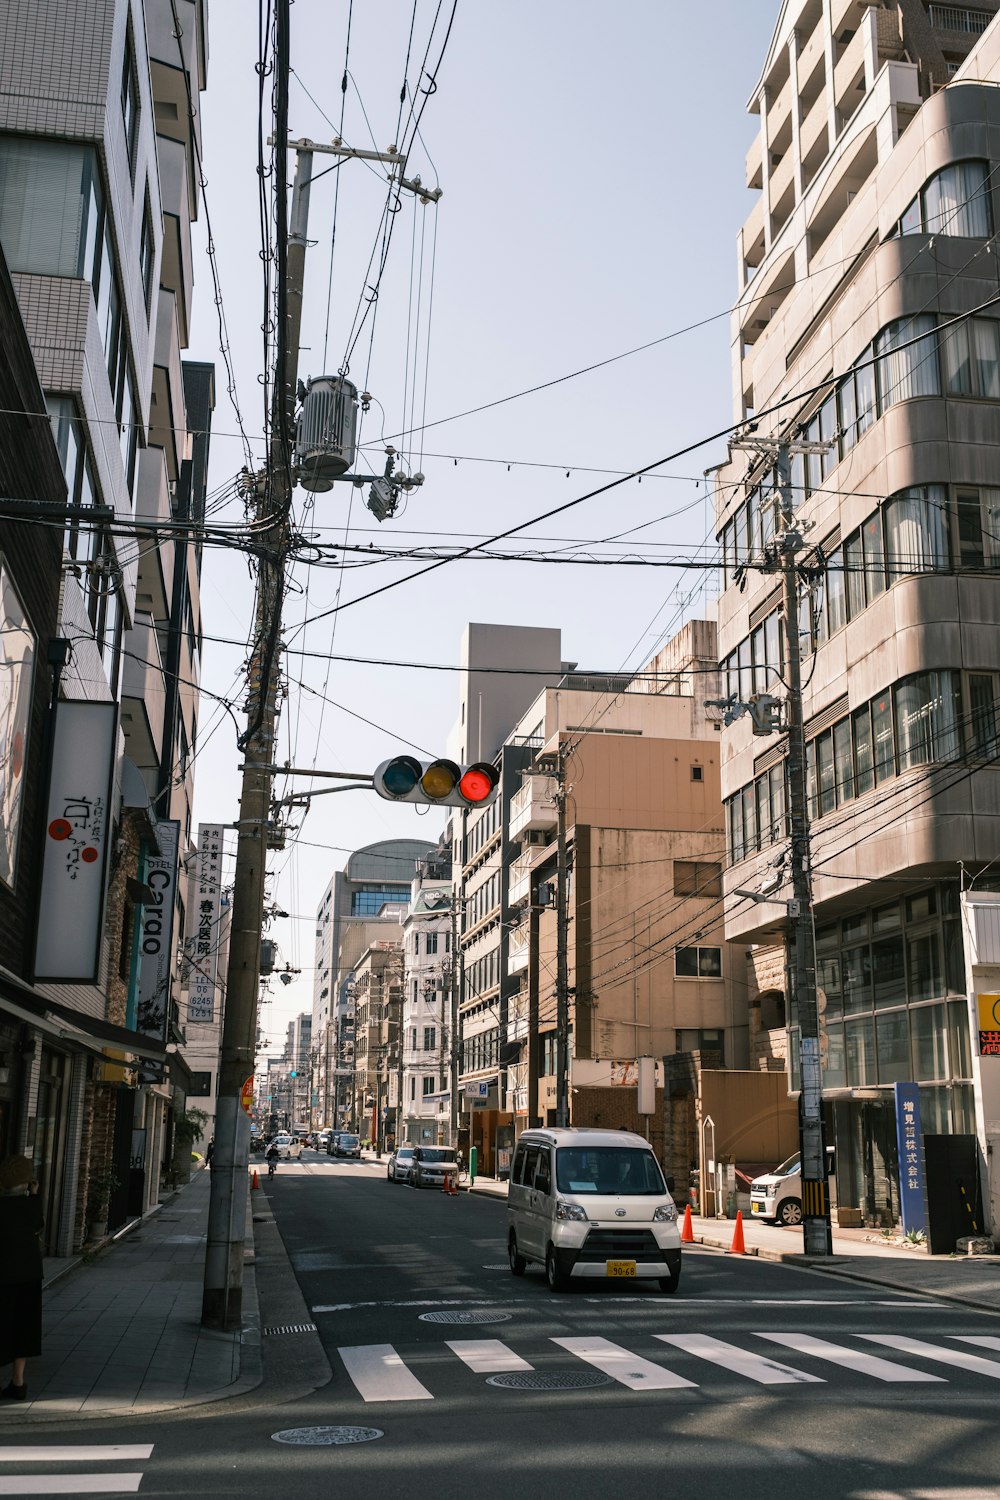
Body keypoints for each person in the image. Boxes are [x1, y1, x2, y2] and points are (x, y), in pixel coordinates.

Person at [0, 1155, 43, 1402]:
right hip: (29, 1274)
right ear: (27, 1182)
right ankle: (18, 1382)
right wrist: (34, 1194)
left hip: (3, 1275)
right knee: (24, 1327)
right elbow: (39, 1223)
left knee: (2, 1324)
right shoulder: (30, 1206)